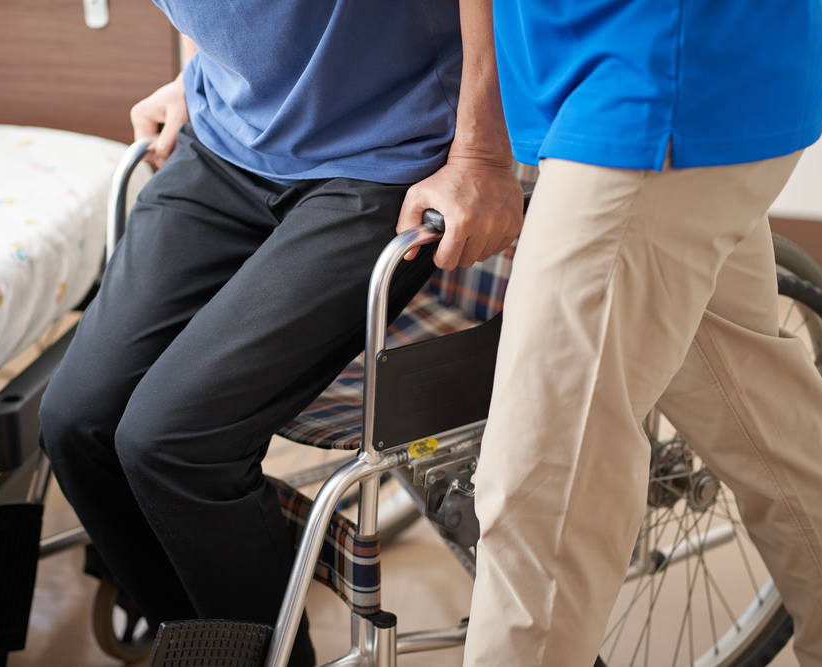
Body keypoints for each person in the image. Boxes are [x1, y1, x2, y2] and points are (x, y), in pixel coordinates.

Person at [37, 2, 523, 665]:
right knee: (76, 421)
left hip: (384, 157)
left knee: (173, 440)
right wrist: (198, 76)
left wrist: (482, 151)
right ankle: (203, 646)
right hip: (226, 147)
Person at [450, 1, 822, 665]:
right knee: (763, 423)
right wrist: (479, 135)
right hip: (646, 80)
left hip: (655, 83)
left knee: (544, 491)